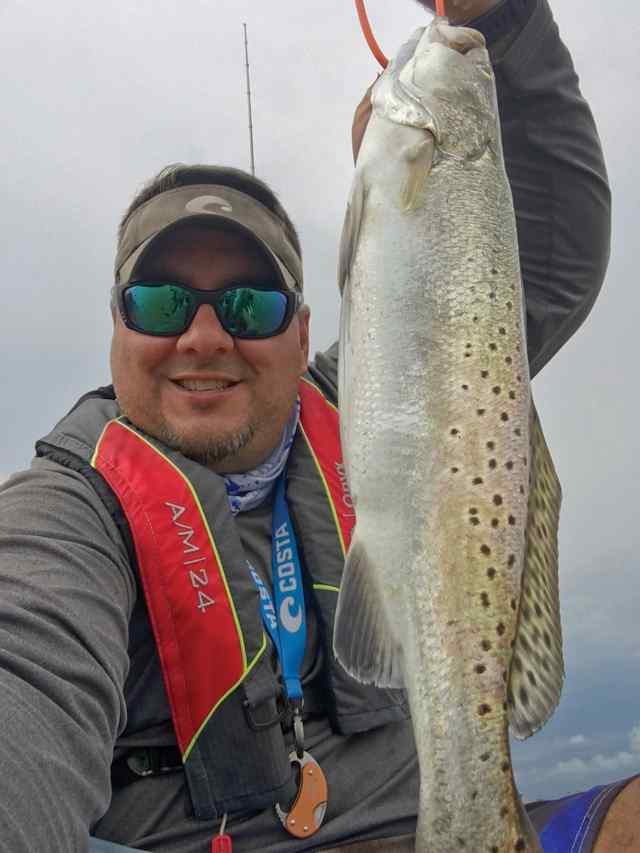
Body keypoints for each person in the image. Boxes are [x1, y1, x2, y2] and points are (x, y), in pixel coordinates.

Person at [0, 0, 628, 851]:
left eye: (251, 304)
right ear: (116, 330)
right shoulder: (67, 519)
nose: (205, 335)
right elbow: (23, 681)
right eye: (162, 300)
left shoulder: (375, 391)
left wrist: (507, 20)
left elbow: (548, 263)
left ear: (303, 333)